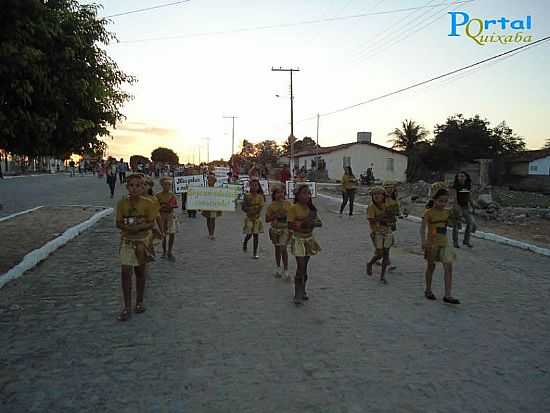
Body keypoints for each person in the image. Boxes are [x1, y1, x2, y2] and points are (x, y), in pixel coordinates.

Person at [115, 174, 156, 321]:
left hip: (142, 241)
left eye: (138, 185)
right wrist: (127, 227)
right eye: (131, 185)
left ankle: (139, 301)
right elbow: (118, 222)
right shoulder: (122, 204)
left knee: (140, 272)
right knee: (125, 272)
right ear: (127, 187)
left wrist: (139, 227)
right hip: (127, 241)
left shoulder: (148, 203)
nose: (135, 188)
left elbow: (151, 223)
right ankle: (126, 306)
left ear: (142, 187)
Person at [420, 183, 460, 304]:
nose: (443, 203)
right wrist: (423, 242)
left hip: (444, 243)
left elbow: (453, 224)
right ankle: (428, 290)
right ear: (434, 200)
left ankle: (448, 295)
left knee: (449, 267)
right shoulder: (428, 212)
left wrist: (456, 216)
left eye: (445, 201)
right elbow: (422, 228)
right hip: (432, 244)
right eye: (440, 201)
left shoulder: (447, 212)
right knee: (431, 267)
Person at [288, 185, 322, 305]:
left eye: (308, 193)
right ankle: (297, 292)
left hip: (309, 239)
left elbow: (319, 223)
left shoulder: (311, 209)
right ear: (297, 195)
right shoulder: (293, 208)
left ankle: (303, 289)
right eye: (303, 193)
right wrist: (302, 224)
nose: (306, 196)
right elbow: (290, 224)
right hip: (298, 239)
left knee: (305, 267)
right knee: (300, 266)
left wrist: (312, 223)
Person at [366, 186, 394, 284]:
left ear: (383, 196)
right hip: (377, 233)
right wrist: (382, 218)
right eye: (375, 194)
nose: (377, 196)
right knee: (379, 254)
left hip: (388, 232)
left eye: (379, 194)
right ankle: (370, 263)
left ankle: (382, 276)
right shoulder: (371, 207)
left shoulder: (387, 205)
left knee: (386, 254)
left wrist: (391, 220)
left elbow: (392, 218)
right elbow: (371, 219)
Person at [265, 186, 291, 280]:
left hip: (285, 229)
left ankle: (286, 269)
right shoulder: (271, 206)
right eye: (277, 193)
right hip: (275, 230)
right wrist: (275, 216)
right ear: (274, 195)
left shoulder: (288, 204)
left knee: (283, 247)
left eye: (282, 192)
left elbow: (292, 217)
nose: (280, 194)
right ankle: (278, 266)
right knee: (277, 248)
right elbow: (267, 219)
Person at [242, 179, 265, 258]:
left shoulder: (260, 197)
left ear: (258, 187)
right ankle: (245, 241)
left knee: (256, 235)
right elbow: (243, 207)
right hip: (249, 218)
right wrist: (248, 210)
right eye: (252, 185)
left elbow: (261, 207)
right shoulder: (247, 196)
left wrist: (256, 210)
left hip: (257, 218)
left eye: (256, 185)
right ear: (249, 186)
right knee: (249, 234)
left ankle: (255, 253)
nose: (254, 187)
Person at [156, 176, 178, 261]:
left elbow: (175, 205)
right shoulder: (158, 195)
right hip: (161, 216)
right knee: (163, 234)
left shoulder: (172, 195)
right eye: (165, 184)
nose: (167, 186)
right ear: (162, 185)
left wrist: (169, 206)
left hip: (170, 216)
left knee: (172, 234)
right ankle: (164, 251)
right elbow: (155, 207)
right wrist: (162, 206)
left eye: (169, 185)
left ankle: (170, 251)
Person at [452, 171, 474, 248]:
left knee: (470, 223)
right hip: (457, 206)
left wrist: (473, 204)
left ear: (466, 177)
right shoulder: (455, 186)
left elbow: (469, 196)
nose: (461, 178)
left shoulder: (468, 185)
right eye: (459, 176)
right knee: (456, 225)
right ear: (457, 178)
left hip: (465, 207)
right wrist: (457, 208)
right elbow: (454, 198)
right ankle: (455, 242)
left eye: (462, 176)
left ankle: (466, 241)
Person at [202, 172, 221, 239]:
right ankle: (209, 232)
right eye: (208, 180)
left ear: (214, 182)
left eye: (211, 180)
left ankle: (212, 234)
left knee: (212, 219)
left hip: (213, 207)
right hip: (207, 207)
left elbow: (219, 199)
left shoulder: (217, 190)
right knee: (208, 219)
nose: (209, 182)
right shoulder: (204, 190)